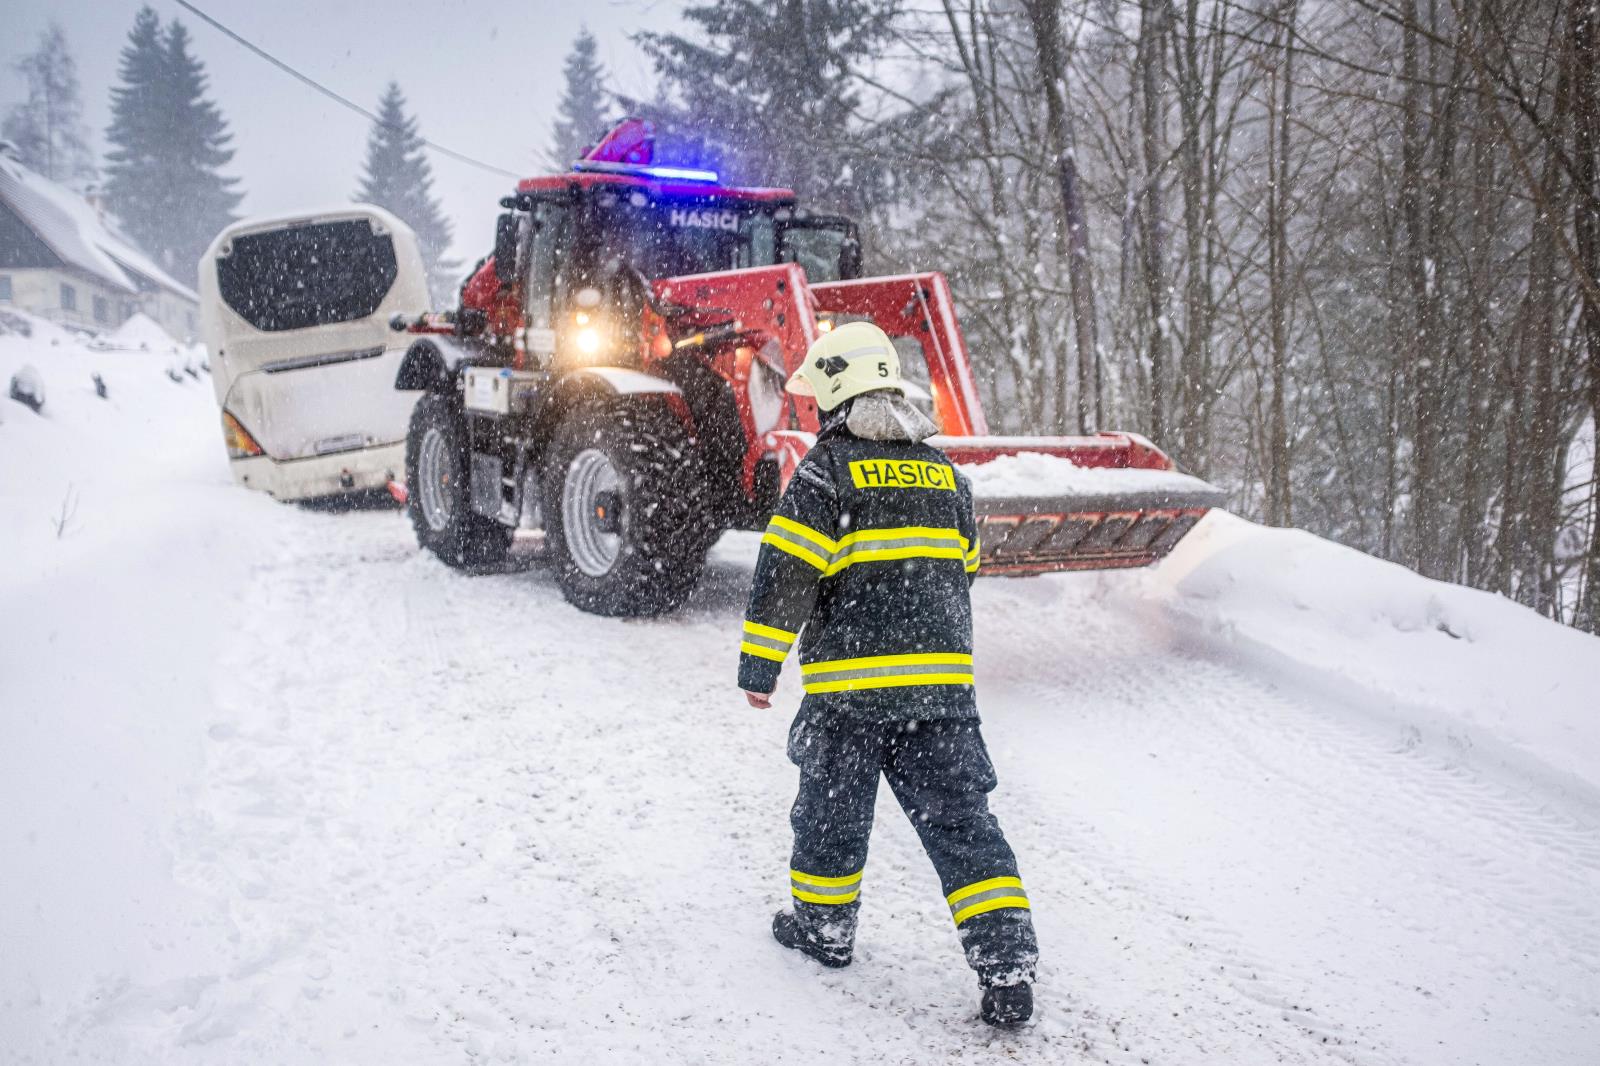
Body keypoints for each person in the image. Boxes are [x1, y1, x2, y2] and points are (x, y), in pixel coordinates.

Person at [737, 321, 1039, 1027]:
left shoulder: (825, 474)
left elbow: (786, 576)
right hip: (940, 695)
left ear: (836, 392)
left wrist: (760, 665)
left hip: (850, 695)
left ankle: (825, 929)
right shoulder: (947, 477)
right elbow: (964, 569)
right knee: (964, 825)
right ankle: (1006, 966)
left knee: (832, 816)